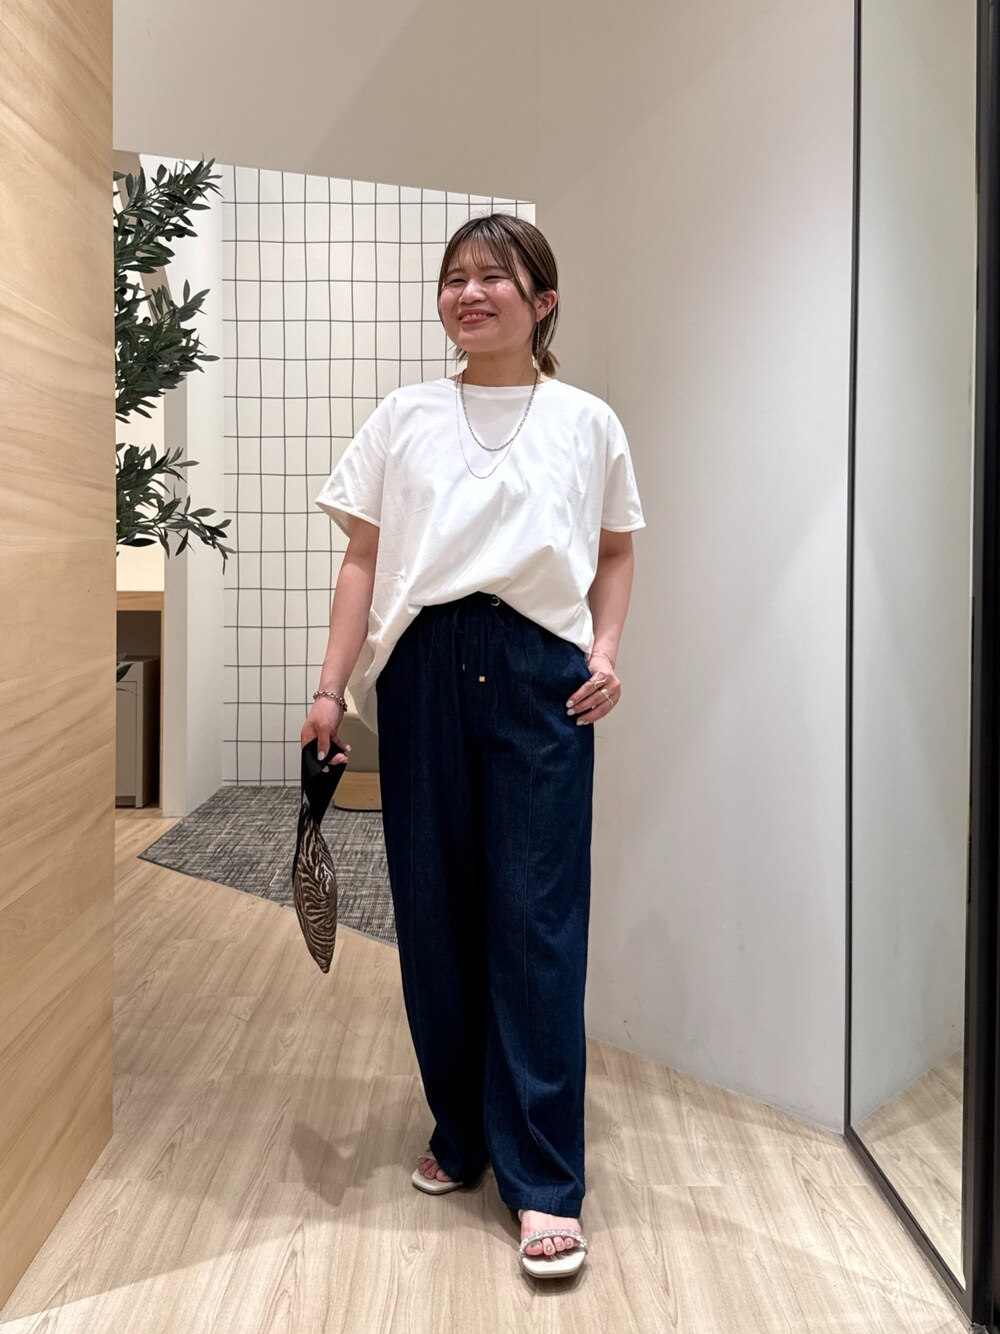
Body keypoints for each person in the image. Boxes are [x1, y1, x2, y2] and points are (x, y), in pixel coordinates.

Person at [301, 212, 645, 1278]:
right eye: (454, 276)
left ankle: (543, 1178)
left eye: (495, 276)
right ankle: (463, 1130)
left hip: (542, 677)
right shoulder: (405, 414)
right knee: (435, 912)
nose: (470, 292)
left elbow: (615, 549)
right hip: (421, 671)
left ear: (543, 302)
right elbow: (363, 561)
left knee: (537, 920)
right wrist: (329, 689)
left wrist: (604, 649)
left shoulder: (587, 420)